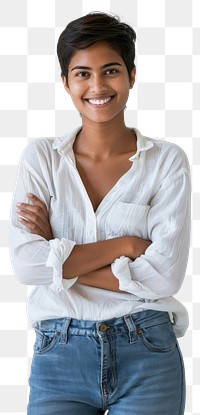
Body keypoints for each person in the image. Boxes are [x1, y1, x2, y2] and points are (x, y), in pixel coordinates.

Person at [10, 12, 191, 415]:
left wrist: (58, 257)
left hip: (147, 348)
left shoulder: (166, 162)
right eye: (82, 73)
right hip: (59, 352)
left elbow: (164, 275)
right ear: (65, 82)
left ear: (131, 75)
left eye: (110, 71)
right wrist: (126, 246)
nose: (97, 86)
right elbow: (25, 266)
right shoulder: (41, 159)